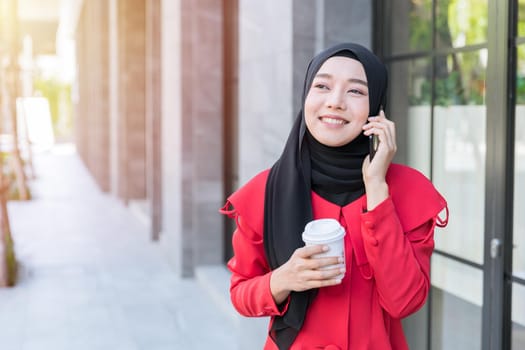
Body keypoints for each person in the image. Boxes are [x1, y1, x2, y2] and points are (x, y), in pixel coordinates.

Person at [220, 42, 448, 350]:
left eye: (355, 91)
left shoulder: (409, 191)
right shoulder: (265, 191)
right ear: (306, 97)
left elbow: (404, 302)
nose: (335, 102)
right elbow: (240, 295)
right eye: (322, 86)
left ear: (376, 108)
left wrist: (377, 188)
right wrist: (282, 279)